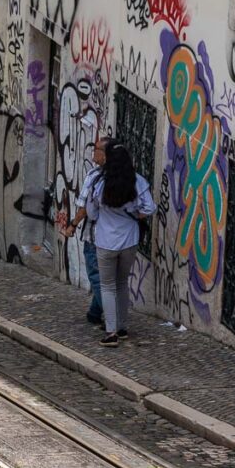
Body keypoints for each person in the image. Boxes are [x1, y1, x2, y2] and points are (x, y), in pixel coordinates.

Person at [85, 141, 155, 347]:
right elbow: (149, 208)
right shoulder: (138, 181)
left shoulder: (99, 182)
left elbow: (91, 212)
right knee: (122, 283)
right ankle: (123, 327)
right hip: (129, 241)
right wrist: (134, 214)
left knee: (107, 286)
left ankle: (111, 331)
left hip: (106, 240)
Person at [64, 137, 111, 327]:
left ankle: (112, 319)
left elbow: (84, 207)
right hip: (117, 238)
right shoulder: (127, 177)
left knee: (96, 276)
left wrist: (73, 224)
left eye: (96, 150)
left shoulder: (95, 176)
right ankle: (94, 312)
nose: (93, 155)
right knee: (104, 277)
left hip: (95, 235)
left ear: (105, 154)